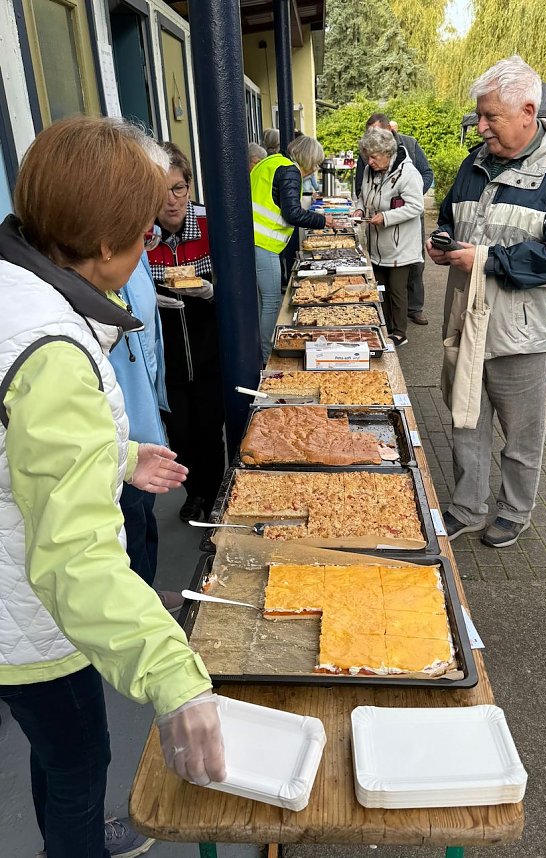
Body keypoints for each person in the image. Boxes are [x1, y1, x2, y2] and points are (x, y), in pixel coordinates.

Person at [0, 116, 225, 858]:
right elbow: (73, 555)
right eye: (141, 228)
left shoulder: (14, 285)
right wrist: (174, 678)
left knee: (55, 749)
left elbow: (21, 438)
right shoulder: (52, 346)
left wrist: (116, 454)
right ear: (104, 245)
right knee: (78, 760)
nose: (149, 242)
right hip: (24, 614)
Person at [428, 55, 546, 548]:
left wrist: (487, 258)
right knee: (465, 419)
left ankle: (515, 511)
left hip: (521, 330)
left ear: (527, 111)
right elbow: (449, 216)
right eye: (479, 116)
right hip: (466, 318)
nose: (480, 126)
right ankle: (467, 505)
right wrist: (442, 238)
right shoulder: (474, 162)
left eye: (490, 117)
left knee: (521, 435)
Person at [146, 142, 226, 524]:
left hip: (210, 350)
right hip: (168, 357)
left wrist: (214, 292)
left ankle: (213, 497)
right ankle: (194, 494)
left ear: (189, 188)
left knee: (211, 429)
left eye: (178, 188)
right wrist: (149, 299)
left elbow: (239, 289)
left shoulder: (213, 226)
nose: (172, 201)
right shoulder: (141, 235)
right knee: (179, 432)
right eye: (161, 191)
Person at [251, 134, 336, 361]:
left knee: (261, 302)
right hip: (263, 243)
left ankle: (259, 351)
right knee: (271, 302)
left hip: (254, 240)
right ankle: (268, 354)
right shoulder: (290, 171)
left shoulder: (271, 161)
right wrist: (322, 221)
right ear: (308, 159)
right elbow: (292, 213)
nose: (316, 168)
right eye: (316, 163)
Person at [355, 113, 434, 326]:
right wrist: (360, 210)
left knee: (398, 289)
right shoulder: (371, 169)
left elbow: (416, 205)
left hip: (400, 244)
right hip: (378, 243)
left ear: (387, 153)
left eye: (373, 157)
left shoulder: (407, 171)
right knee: (380, 287)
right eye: (367, 157)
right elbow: (364, 195)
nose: (368, 162)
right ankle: (386, 325)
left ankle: (400, 331)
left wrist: (387, 217)